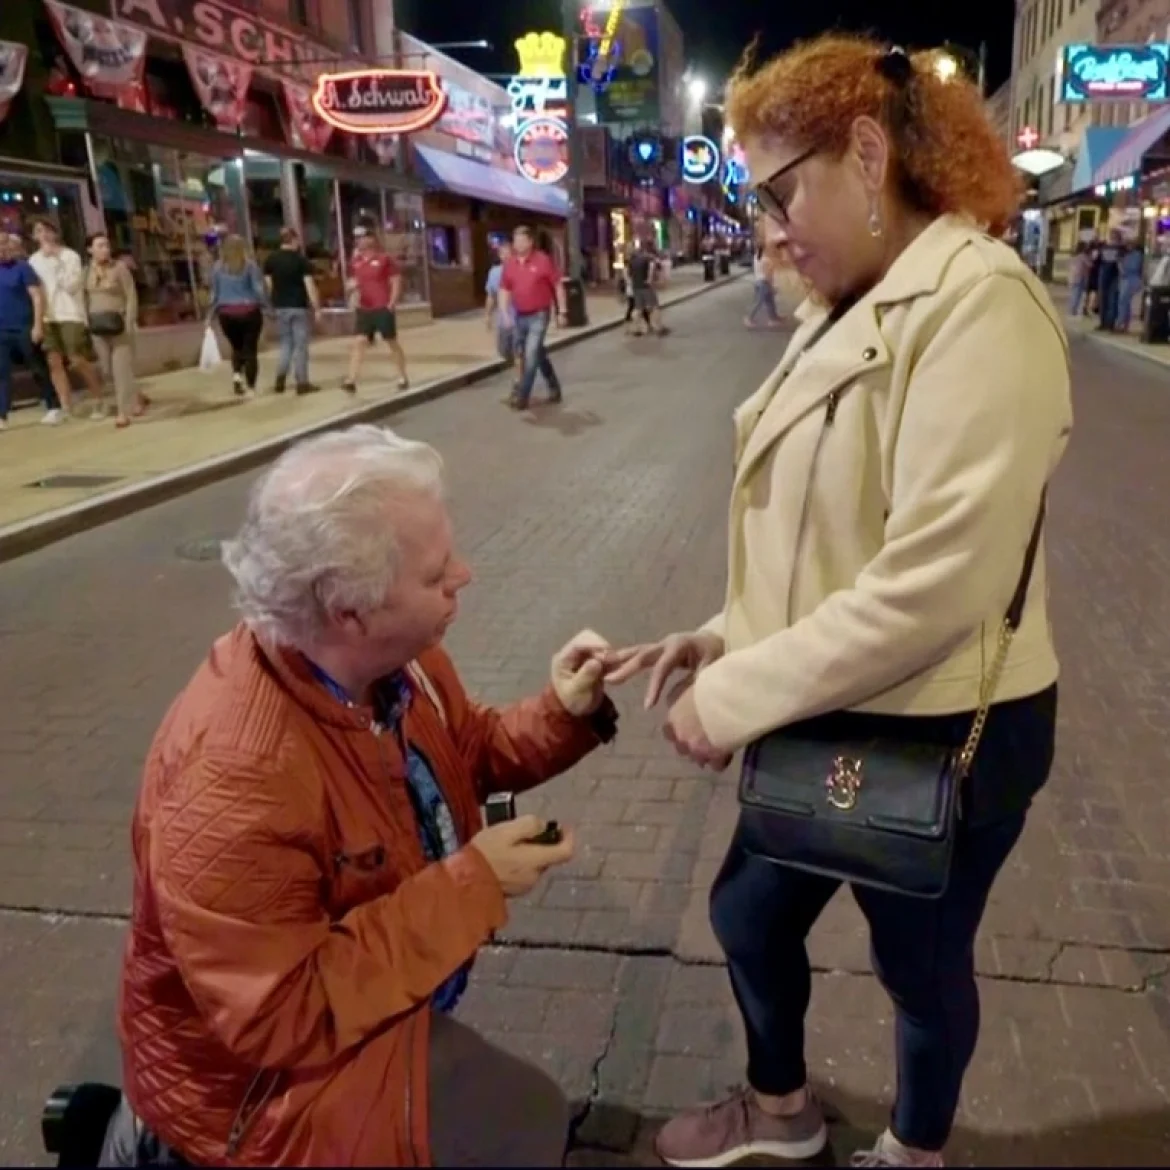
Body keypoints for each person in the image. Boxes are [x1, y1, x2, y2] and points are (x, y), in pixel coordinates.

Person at [606, 35, 1071, 1169]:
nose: (767, 225)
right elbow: (820, 530)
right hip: (831, 696)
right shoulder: (848, 298)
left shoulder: (979, 304)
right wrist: (721, 632)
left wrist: (734, 697)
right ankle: (779, 1112)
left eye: (780, 189)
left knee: (918, 964)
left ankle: (915, 1150)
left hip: (944, 719)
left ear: (866, 153)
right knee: (748, 916)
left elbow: (938, 581)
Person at [108, 425, 621, 1168]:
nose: (466, 577)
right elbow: (284, 1012)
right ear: (349, 611)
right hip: (256, 1094)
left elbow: (464, 749)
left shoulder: (392, 665)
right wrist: (473, 884)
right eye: (437, 575)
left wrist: (561, 713)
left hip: (358, 1016)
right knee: (523, 1124)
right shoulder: (235, 774)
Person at [29, 218, 106, 417]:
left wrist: (56, 260)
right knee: (54, 361)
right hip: (48, 316)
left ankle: (99, 399)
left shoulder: (70, 256)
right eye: (39, 231)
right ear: (34, 236)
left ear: (55, 233)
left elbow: (72, 285)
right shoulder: (34, 260)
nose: (43, 235)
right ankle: (65, 406)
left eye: (47, 230)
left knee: (76, 359)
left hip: (70, 313)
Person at [499, 225, 567, 411]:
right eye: (515, 240)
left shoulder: (543, 260)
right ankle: (554, 387)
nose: (518, 244)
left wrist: (562, 311)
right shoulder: (510, 264)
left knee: (530, 355)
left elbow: (557, 285)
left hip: (539, 314)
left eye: (521, 240)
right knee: (534, 353)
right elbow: (504, 289)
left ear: (530, 242)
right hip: (520, 316)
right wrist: (505, 313)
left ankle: (522, 396)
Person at [85, 232, 145, 428]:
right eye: (100, 246)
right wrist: (86, 322)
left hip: (119, 324)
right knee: (107, 369)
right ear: (90, 250)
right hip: (97, 326)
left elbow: (131, 295)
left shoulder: (119, 268)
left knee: (121, 369)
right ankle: (136, 396)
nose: (105, 249)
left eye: (107, 245)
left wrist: (129, 321)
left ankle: (122, 411)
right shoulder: (86, 272)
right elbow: (82, 298)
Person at [0, 232, 60, 430]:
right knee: (2, 372)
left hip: (24, 326)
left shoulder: (22, 268)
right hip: (2, 330)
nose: (3, 248)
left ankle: (53, 405)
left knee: (36, 367)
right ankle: (2, 415)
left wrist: (37, 325)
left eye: (5, 244)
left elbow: (36, 297)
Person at [343, 224, 409, 394]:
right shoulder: (356, 262)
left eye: (362, 237)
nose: (359, 241)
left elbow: (395, 280)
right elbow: (353, 282)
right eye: (357, 238)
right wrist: (351, 290)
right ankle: (351, 379)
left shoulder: (384, 259)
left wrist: (392, 302)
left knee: (391, 342)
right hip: (364, 308)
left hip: (382, 306)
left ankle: (402, 375)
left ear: (371, 239)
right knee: (359, 342)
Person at [263, 226, 321, 395]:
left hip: (281, 307)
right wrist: (317, 307)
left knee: (286, 344)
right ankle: (302, 383)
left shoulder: (271, 260)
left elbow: (269, 285)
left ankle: (280, 379)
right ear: (294, 240)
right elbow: (309, 286)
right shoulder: (301, 261)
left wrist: (274, 302)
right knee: (301, 346)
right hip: (298, 307)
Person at [209, 234, 266, 396]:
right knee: (250, 350)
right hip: (249, 312)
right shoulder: (249, 267)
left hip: (226, 314)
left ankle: (236, 378)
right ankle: (251, 387)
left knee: (236, 348)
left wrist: (210, 314)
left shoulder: (217, 268)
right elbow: (258, 289)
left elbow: (214, 294)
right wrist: (266, 306)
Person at [626, 241, 667, 337]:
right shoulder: (646, 257)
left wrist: (631, 284)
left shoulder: (631, 260)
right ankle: (659, 328)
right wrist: (649, 278)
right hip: (646, 286)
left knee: (638, 308)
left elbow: (628, 274)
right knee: (654, 306)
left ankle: (636, 329)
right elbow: (653, 265)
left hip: (636, 287)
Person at [484, 239, 516, 365]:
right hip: (503, 320)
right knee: (503, 351)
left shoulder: (520, 270)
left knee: (519, 351)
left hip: (520, 319)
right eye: (503, 254)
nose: (506, 256)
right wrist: (487, 315)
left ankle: (521, 379)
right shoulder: (494, 272)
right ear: (500, 256)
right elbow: (491, 296)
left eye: (509, 253)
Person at [744, 243, 784, 328]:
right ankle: (749, 318)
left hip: (758, 281)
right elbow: (768, 274)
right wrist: (772, 286)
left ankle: (774, 318)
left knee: (770, 301)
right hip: (764, 282)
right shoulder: (766, 260)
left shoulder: (756, 257)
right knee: (760, 302)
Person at [1116, 239, 1144, 333]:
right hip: (1127, 279)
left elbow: (1133, 268)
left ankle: (1121, 323)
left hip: (1130, 279)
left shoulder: (1136, 255)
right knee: (1125, 302)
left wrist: (1122, 265)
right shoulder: (1127, 255)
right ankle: (1124, 324)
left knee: (1123, 301)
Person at [1096, 231, 1121, 331]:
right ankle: (1104, 322)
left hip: (1113, 275)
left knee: (1112, 300)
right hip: (1106, 274)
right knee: (1104, 299)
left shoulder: (1120, 249)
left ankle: (1109, 323)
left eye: (1114, 237)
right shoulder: (1104, 247)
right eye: (1112, 237)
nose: (1112, 239)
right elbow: (1097, 260)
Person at [1067, 241, 1090, 317]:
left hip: (1072, 276)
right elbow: (1089, 264)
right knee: (1077, 294)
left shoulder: (1073, 256)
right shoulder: (1083, 256)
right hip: (1080, 277)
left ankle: (1071, 309)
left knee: (1073, 293)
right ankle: (1074, 309)